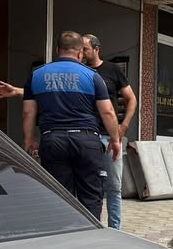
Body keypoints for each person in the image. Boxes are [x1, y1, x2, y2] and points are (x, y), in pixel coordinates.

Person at [23, 31, 121, 220]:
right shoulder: (92, 76)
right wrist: (115, 140)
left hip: (53, 140)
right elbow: (107, 111)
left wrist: (29, 140)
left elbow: (28, 112)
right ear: (80, 53)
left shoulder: (36, 75)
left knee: (59, 197)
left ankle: (63, 238)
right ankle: (90, 239)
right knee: (91, 197)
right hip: (87, 141)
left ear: (58, 50)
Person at [81, 33, 136, 230]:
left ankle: (115, 230)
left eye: (85, 48)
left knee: (113, 187)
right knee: (88, 186)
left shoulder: (112, 70)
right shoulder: (79, 71)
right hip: (85, 137)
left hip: (109, 137)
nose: (82, 52)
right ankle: (89, 227)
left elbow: (131, 99)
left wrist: (124, 126)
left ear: (96, 49)